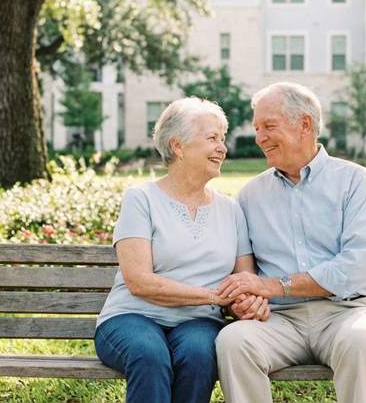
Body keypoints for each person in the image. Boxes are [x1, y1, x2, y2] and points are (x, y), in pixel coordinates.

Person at [215, 82, 366, 403]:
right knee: (234, 340)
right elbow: (244, 274)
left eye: (269, 126)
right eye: (257, 129)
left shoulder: (355, 181)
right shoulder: (250, 195)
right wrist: (244, 301)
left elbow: (356, 268)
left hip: (348, 312)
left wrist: (273, 286)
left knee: (361, 341)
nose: (259, 137)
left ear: (305, 124)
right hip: (280, 321)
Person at [94, 97, 267, 403]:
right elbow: (139, 282)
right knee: (150, 354)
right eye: (212, 138)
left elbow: (243, 282)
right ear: (178, 146)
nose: (223, 148)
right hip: (133, 317)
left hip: (199, 322)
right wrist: (212, 297)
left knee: (199, 355)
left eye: (222, 139)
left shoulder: (231, 210)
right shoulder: (141, 199)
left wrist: (244, 303)